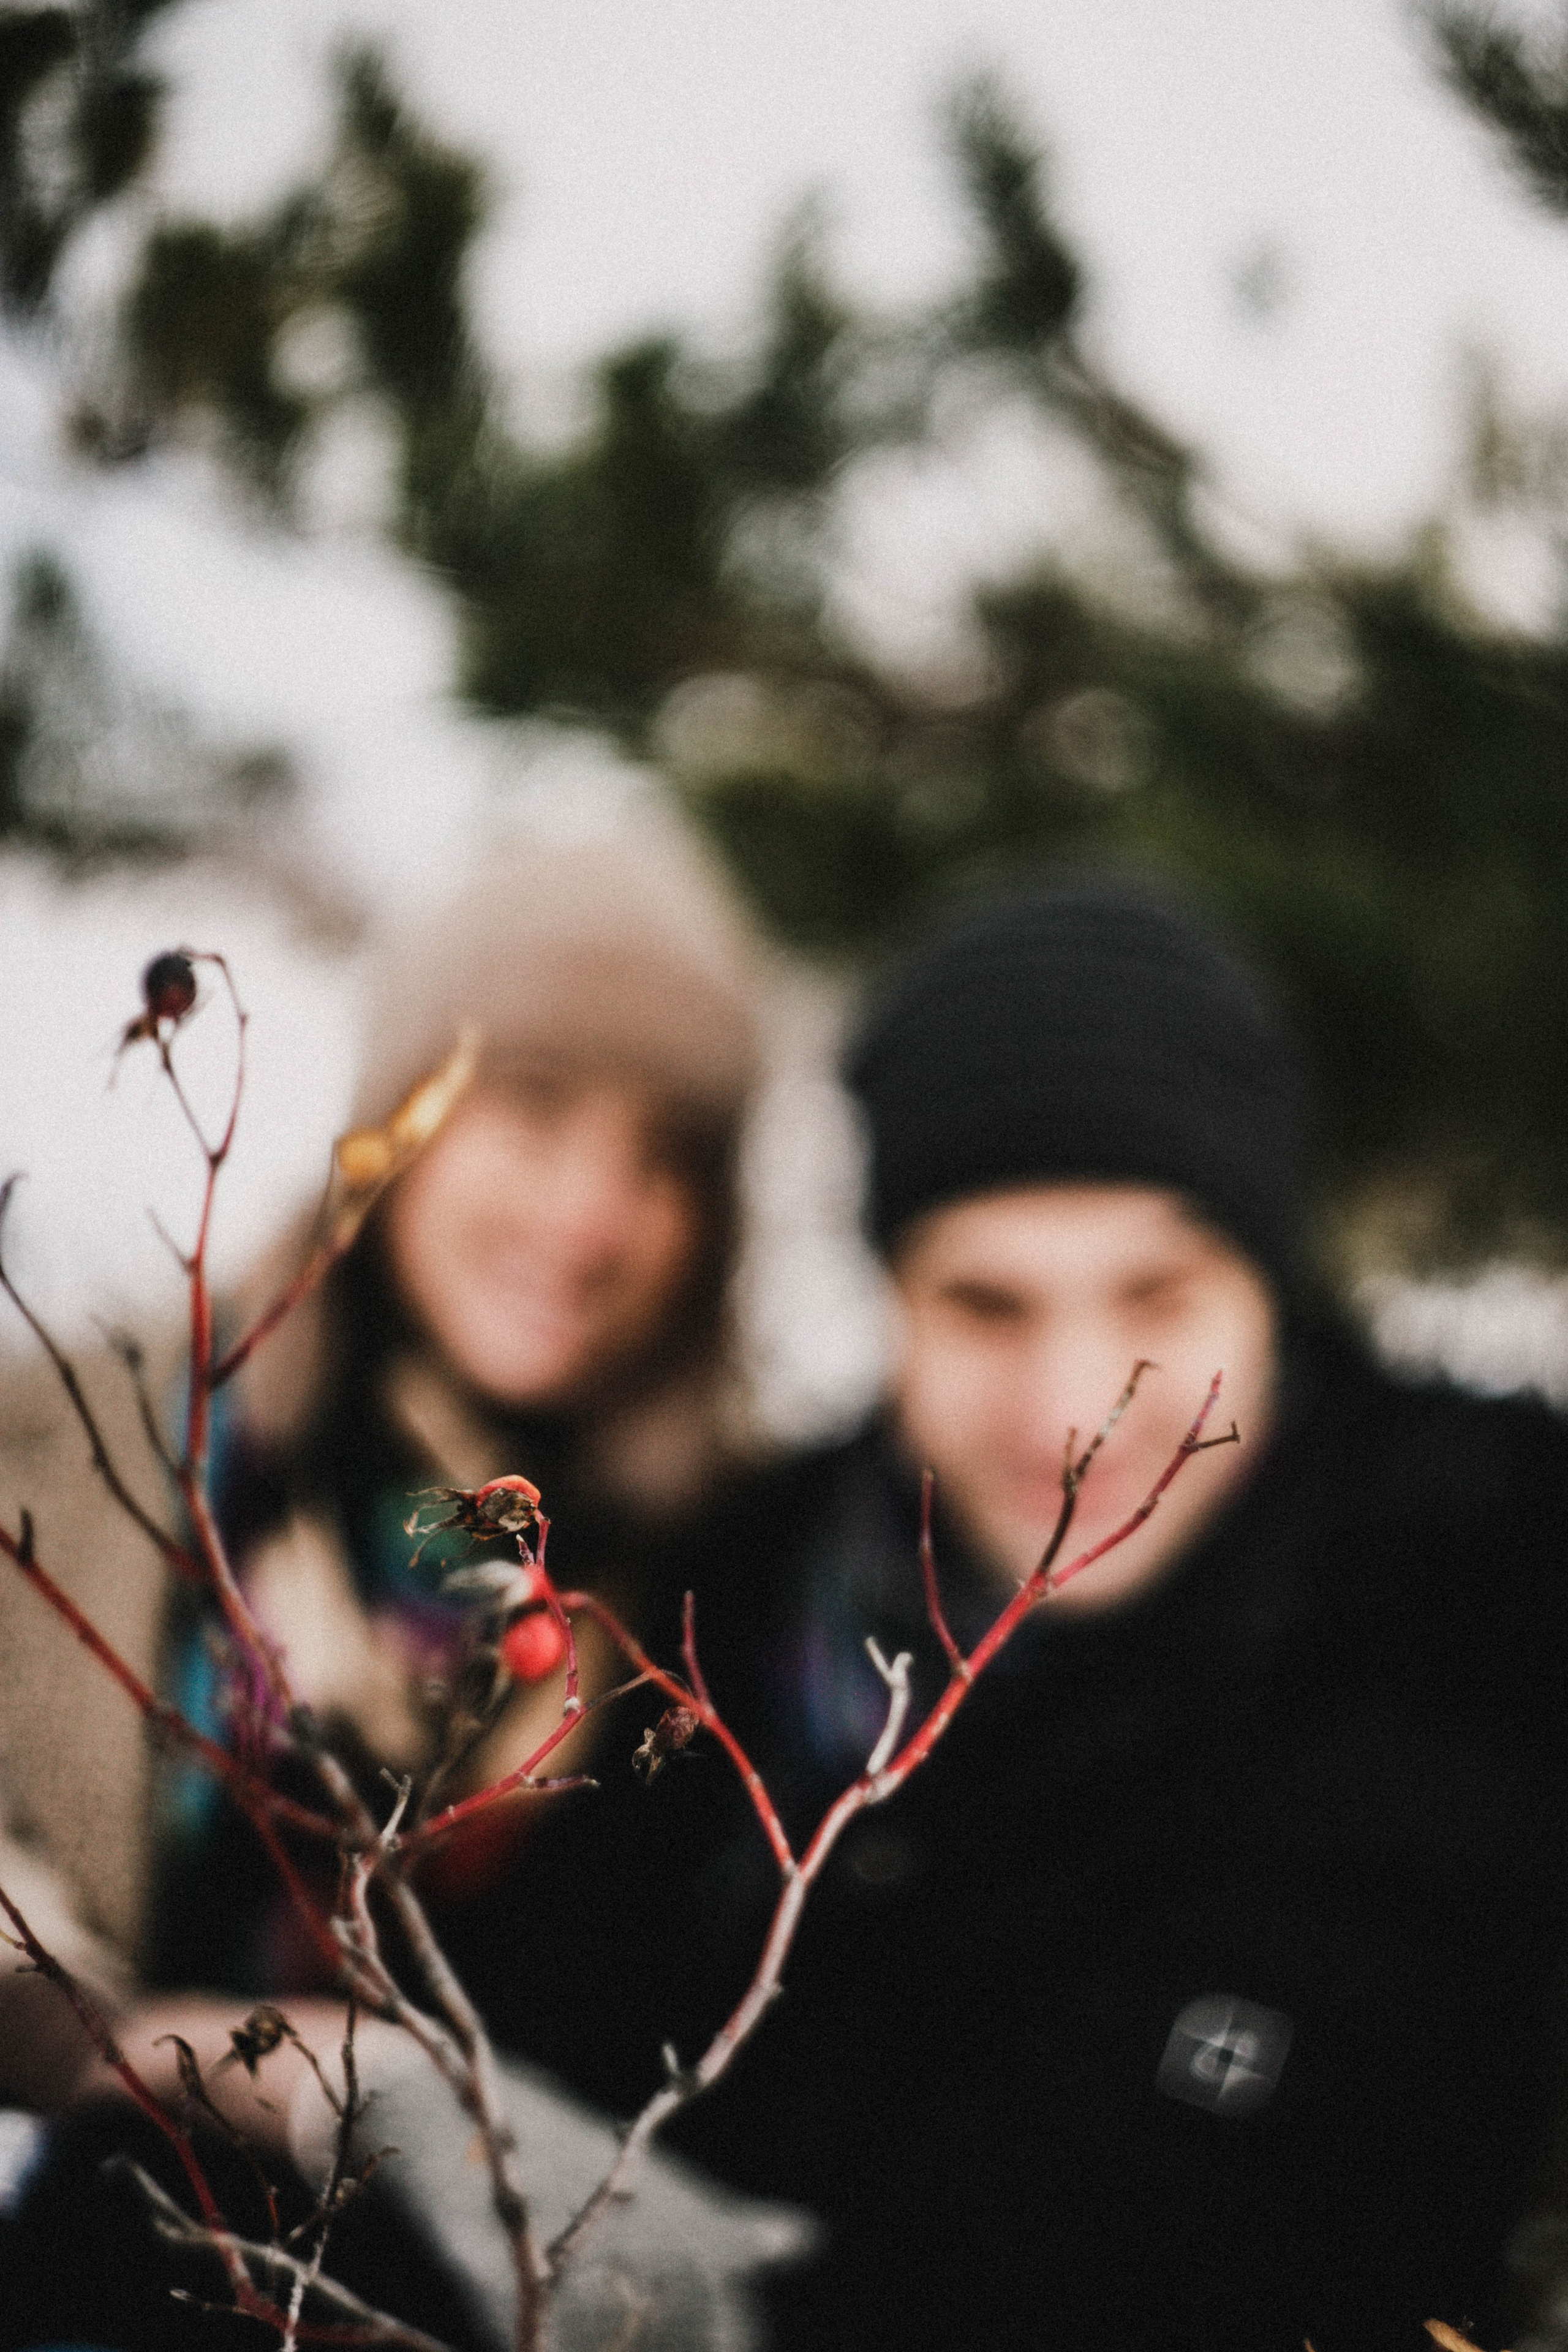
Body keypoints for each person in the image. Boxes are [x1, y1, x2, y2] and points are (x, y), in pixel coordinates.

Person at [454, 872, 1568, 2352]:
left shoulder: (1483, 1599)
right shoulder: (742, 1594)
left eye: (1154, 1295)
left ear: (1269, 1285)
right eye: (985, 1305)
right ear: (890, 1301)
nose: (1070, 1419)